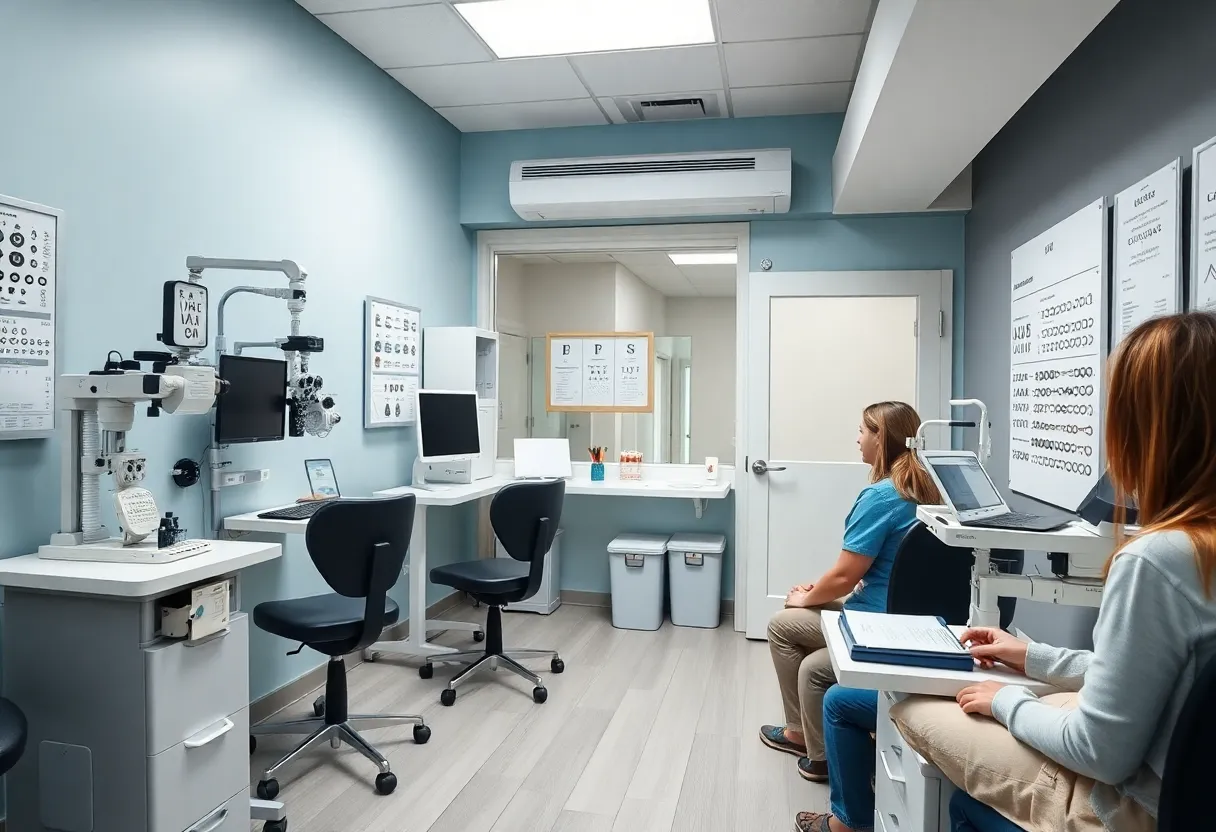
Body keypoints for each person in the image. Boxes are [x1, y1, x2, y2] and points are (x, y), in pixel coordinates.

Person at [951, 312, 1216, 832]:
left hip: (1141, 810)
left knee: (916, 710)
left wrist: (1010, 701)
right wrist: (1035, 656)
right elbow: (1161, 680)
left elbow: (1100, 753)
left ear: (1146, 429)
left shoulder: (1159, 561)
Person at [759, 401, 941, 784]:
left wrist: (805, 597)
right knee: (801, 622)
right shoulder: (928, 485)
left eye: (863, 431)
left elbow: (844, 576)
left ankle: (808, 742)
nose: (857, 438)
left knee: (784, 628)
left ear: (882, 439)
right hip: (904, 611)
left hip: (875, 619)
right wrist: (824, 591)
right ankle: (807, 734)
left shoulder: (881, 497)